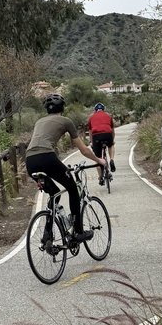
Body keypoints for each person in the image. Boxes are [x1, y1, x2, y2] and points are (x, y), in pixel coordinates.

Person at [25, 93, 107, 244]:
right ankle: (78, 232)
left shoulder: (39, 122)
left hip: (30, 161)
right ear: (62, 107)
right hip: (47, 158)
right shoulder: (66, 121)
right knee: (72, 188)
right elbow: (83, 150)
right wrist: (99, 160)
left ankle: (47, 234)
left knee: (54, 193)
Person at [87, 102, 116, 185]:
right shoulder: (108, 116)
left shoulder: (91, 117)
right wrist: (112, 140)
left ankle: (100, 178)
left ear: (95, 110)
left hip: (96, 136)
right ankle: (112, 160)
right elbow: (112, 131)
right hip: (107, 134)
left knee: (97, 158)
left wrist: (91, 142)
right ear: (104, 109)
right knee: (111, 145)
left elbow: (90, 132)